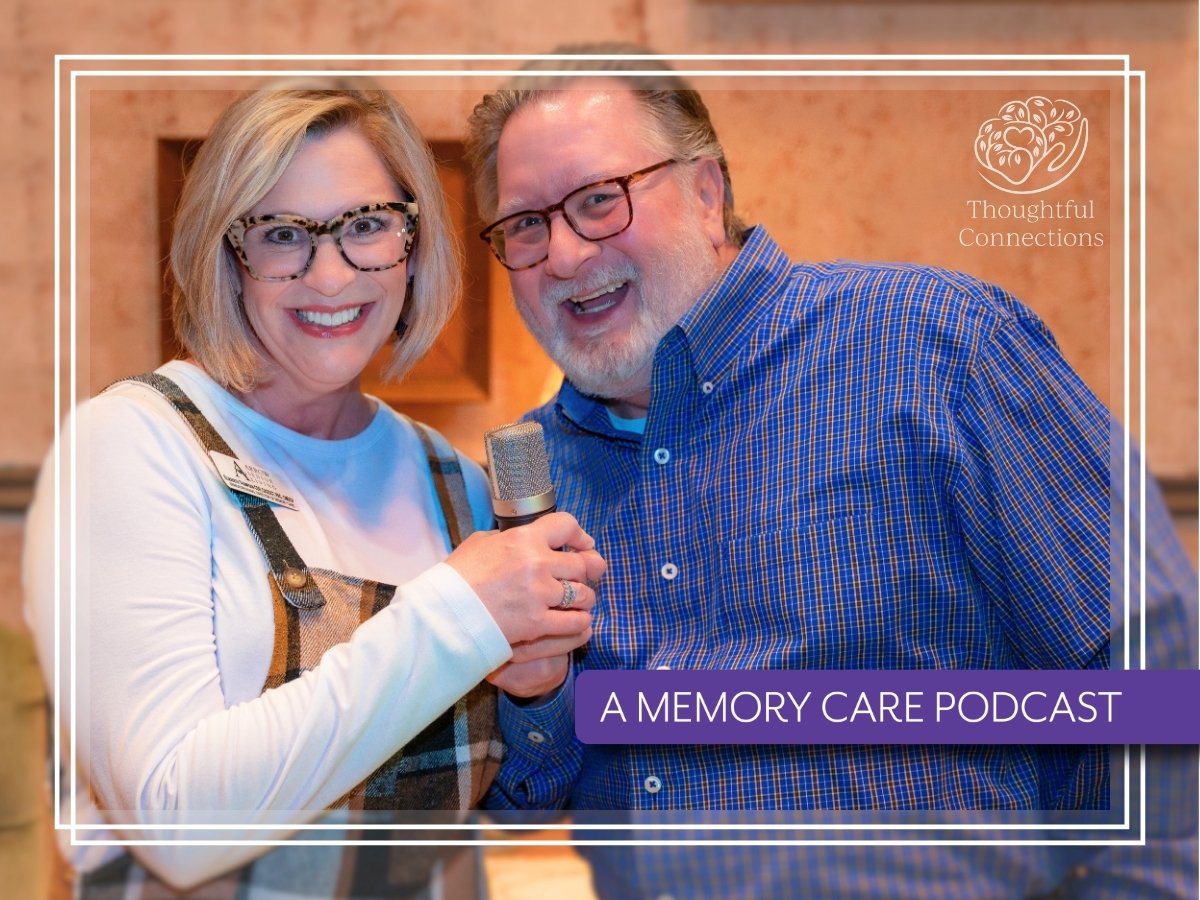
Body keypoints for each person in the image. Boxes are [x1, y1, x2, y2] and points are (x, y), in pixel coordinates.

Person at [464, 51, 1198, 897]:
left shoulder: (939, 349)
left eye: (599, 199)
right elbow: (525, 799)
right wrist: (536, 695)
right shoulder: (533, 477)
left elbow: (1153, 674)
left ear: (707, 192)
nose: (562, 253)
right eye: (525, 224)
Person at [21, 83, 606, 898]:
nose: (329, 275)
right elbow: (175, 829)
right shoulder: (132, 447)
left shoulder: (456, 485)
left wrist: (540, 692)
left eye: (366, 226)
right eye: (281, 234)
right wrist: (460, 615)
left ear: (414, 245)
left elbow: (520, 805)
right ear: (228, 257)